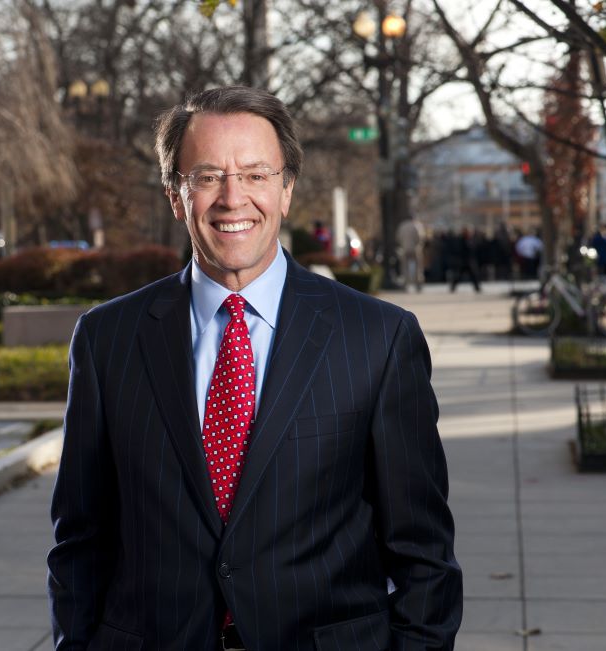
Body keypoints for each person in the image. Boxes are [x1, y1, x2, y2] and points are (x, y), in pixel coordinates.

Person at [47, 86, 462, 651]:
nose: (232, 197)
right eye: (208, 175)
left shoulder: (378, 339)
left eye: (256, 175)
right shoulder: (107, 339)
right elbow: (80, 537)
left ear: (286, 190)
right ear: (176, 195)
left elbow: (423, 551)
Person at [395, 214, 426, 291]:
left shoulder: (402, 226)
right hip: (415, 248)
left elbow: (398, 237)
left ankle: (406, 284)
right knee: (418, 267)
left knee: (404, 267)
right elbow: (420, 237)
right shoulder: (417, 225)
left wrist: (403, 244)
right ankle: (418, 283)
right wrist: (418, 245)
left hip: (404, 248)